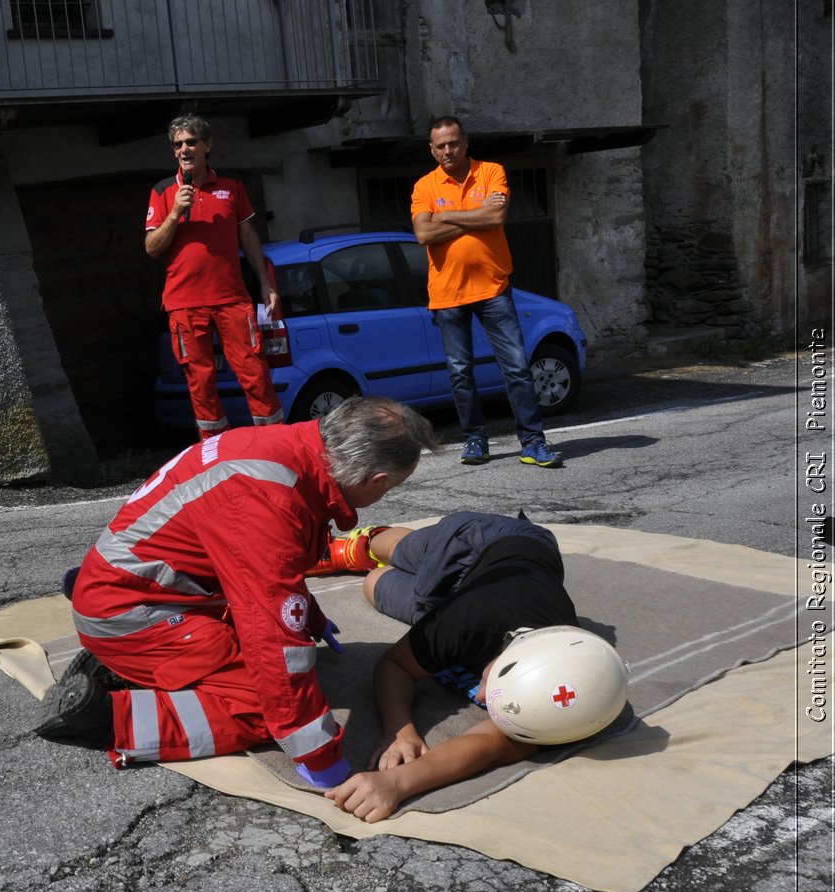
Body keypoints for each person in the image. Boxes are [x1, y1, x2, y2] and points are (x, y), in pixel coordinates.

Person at [34, 397, 439, 787]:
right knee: (264, 706)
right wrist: (320, 756)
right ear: (375, 479)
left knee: (267, 662)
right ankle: (107, 715)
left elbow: (262, 569)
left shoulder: (289, 449)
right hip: (131, 612)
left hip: (137, 593)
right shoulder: (269, 499)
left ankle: (138, 663)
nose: (381, 497)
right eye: (387, 490)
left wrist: (307, 614)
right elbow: (273, 640)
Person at [307, 512, 629, 822]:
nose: (486, 697)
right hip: (484, 542)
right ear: (509, 659)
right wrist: (398, 729)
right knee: (402, 552)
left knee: (375, 584)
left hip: (479, 591)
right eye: (494, 686)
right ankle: (365, 543)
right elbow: (394, 665)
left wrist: (398, 783)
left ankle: (375, 562)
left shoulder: (578, 694)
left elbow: (490, 746)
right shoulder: (470, 622)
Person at [412, 116, 563, 469]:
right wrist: (474, 215)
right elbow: (422, 235)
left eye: (454, 143)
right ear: (432, 151)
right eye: (441, 146)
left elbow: (496, 219)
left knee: (516, 367)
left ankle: (533, 442)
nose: (448, 150)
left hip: (493, 287)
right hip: (447, 294)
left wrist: (446, 217)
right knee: (461, 371)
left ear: (465, 143)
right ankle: (475, 440)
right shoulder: (424, 186)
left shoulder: (491, 171)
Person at [146, 114, 282, 441]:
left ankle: (274, 443)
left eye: (191, 142)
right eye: (178, 144)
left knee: (255, 373)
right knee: (200, 381)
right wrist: (177, 212)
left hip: (232, 298)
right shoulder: (164, 191)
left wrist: (265, 284)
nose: (184, 149)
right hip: (184, 304)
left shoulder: (231, 186)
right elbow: (152, 247)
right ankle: (216, 451)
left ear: (207, 145)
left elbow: (249, 238)